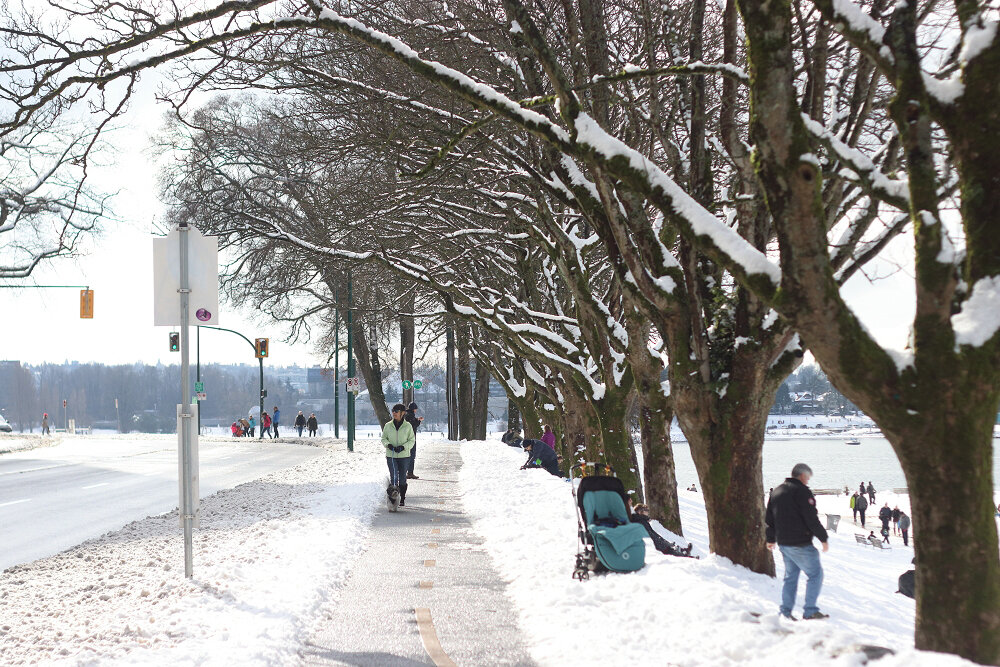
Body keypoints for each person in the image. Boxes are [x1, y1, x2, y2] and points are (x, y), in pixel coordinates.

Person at [765, 463, 830, 621]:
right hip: (800, 542)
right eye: (807, 478)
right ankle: (810, 611)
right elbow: (811, 518)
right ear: (802, 476)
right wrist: (823, 538)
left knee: (790, 577)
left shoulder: (777, 491)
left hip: (784, 543)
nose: (808, 481)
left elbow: (769, 519)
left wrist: (771, 538)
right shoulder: (802, 492)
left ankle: (785, 612)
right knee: (816, 575)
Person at [628, 502, 693, 557]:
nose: (648, 512)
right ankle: (688, 557)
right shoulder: (641, 522)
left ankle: (684, 551)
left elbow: (654, 534)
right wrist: (665, 545)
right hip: (653, 546)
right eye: (646, 510)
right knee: (670, 551)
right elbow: (651, 536)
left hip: (656, 544)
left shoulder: (642, 520)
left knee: (671, 548)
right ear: (640, 512)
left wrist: (666, 543)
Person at [382, 404, 415, 506]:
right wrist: (389, 445)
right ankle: (393, 499)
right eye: (393, 411)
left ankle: (402, 498)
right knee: (394, 477)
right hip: (391, 455)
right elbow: (384, 439)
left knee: (402, 478)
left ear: (403, 413)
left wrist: (403, 447)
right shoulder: (388, 425)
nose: (394, 413)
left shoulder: (408, 426)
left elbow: (412, 440)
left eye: (396, 411)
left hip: (404, 456)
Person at [403, 402, 423, 479]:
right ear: (413, 409)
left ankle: (405, 472)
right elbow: (413, 425)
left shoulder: (406, 415)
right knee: (411, 455)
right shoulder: (410, 415)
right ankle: (410, 473)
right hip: (411, 438)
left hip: (405, 438)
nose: (416, 411)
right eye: (415, 409)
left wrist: (417, 420)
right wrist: (419, 421)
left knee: (407, 455)